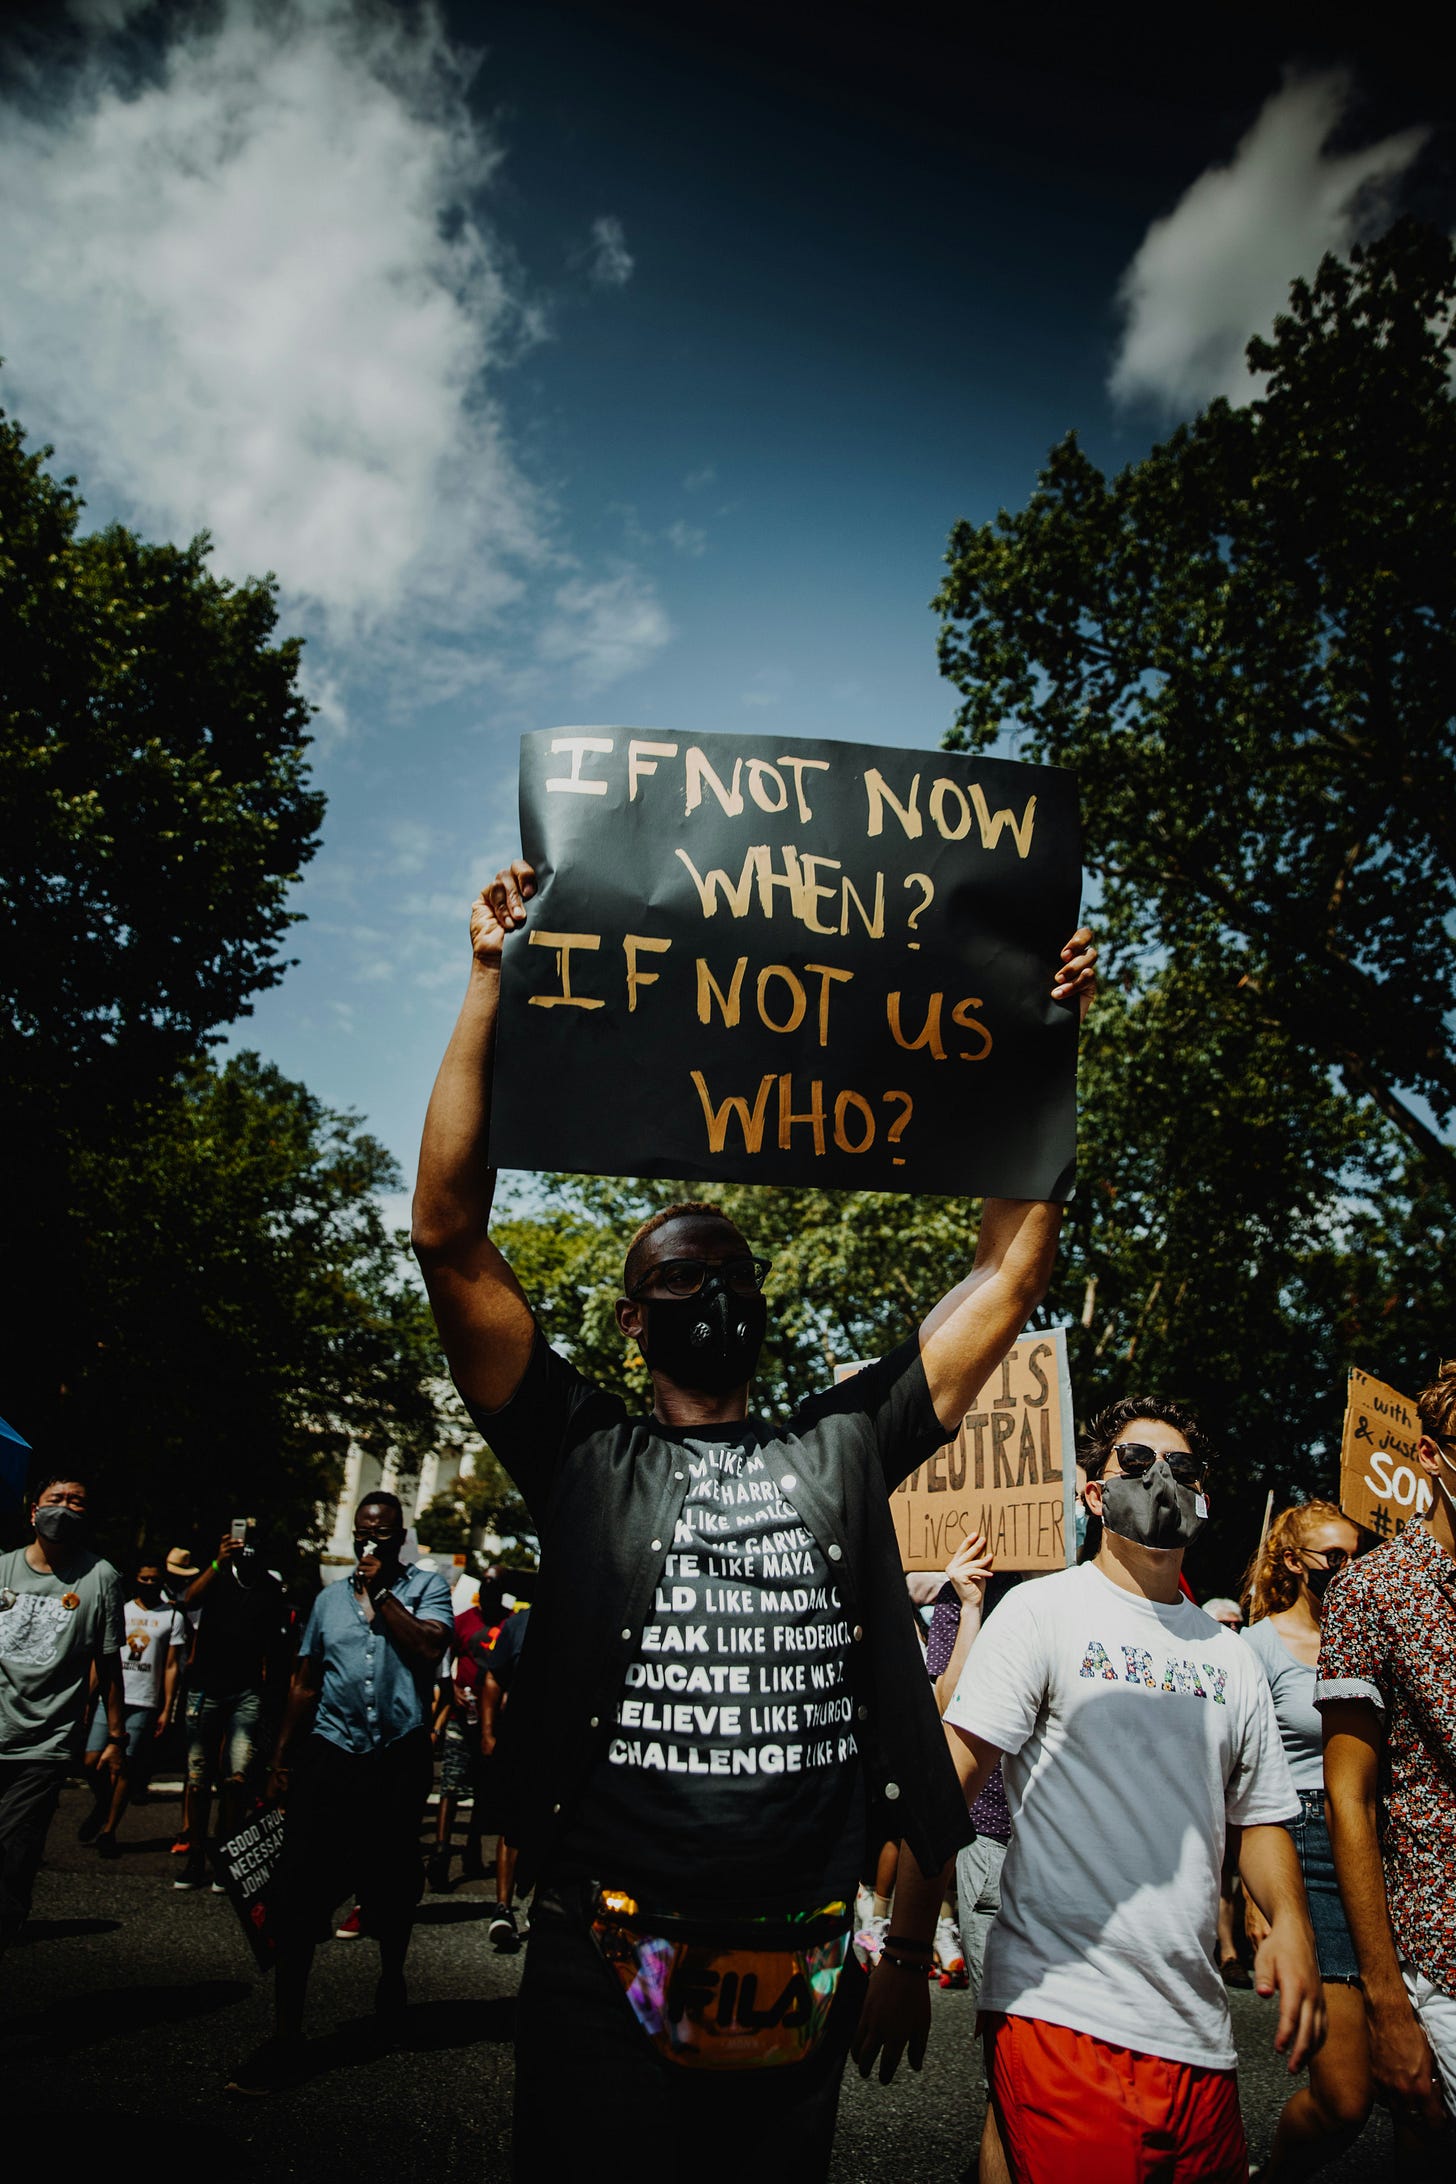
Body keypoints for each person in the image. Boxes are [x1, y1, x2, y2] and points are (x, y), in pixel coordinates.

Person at [410, 853, 1096, 2180]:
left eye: (729, 1266)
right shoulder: (576, 1449)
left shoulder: (846, 1442)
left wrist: (1041, 1037)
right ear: (629, 1319)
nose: (708, 1278)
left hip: (792, 1968)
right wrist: (490, 981)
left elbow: (1010, 1270)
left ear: (763, 1314)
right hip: (602, 1953)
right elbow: (448, 1233)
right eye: (679, 1266)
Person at [858, 1398, 1325, 2184]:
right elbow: (948, 1782)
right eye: (1135, 1465)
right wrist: (904, 1956)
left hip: (1199, 2035)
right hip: (1061, 2014)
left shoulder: (1233, 1654)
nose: (1159, 1481)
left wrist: (1289, 1925)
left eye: (1179, 1469)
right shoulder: (1042, 1613)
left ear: (1202, 1496)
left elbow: (1263, 1818)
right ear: (1092, 1494)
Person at [227, 1491, 453, 2094]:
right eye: (363, 1534)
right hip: (332, 1753)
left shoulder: (426, 1590)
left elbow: (430, 1648)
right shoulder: (328, 1601)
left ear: (400, 1536)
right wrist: (279, 1761)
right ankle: (286, 2035)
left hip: (396, 1756)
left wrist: (383, 1597)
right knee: (298, 1889)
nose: (370, 1544)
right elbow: (304, 1683)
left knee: (393, 1880)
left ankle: (392, 1979)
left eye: (383, 1535)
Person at [1319, 1360, 1456, 2162]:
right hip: (1439, 1948)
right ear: (1434, 1458)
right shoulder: (1374, 1592)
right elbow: (1350, 1802)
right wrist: (1388, 2004)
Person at [1234, 1500, 1371, 2176]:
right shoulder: (1254, 1648)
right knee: (1345, 2099)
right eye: (1333, 1557)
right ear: (1294, 1561)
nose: (1349, 1569)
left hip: (1383, 1842)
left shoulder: (1374, 1633)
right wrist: (1260, 1903)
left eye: (1358, 1553)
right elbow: (1239, 1778)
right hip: (1306, 1842)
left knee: (1415, 2083)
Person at [0, 1474, 126, 1953]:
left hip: (46, 1740)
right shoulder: (3, 1569)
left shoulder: (101, 1577)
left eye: (77, 1501)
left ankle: (7, 1925)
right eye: (57, 1499)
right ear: (34, 1511)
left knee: (14, 1842)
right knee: (12, 1848)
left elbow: (109, 1662)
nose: (66, 1508)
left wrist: (116, 1736)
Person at [174, 1529, 290, 1888]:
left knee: (236, 1777)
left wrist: (273, 1700)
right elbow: (189, 1600)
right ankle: (194, 1857)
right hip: (205, 1688)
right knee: (197, 1779)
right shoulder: (218, 1577)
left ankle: (223, 1859)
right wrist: (215, 1562)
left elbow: (277, 1649)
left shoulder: (271, 1590)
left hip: (246, 1691)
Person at [80, 1555, 186, 1856]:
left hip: (144, 1699)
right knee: (91, 1761)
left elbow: (170, 1666)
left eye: (155, 1579)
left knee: (123, 1765)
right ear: (135, 1580)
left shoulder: (172, 1617)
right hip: (113, 1696)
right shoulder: (121, 1611)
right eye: (144, 1578)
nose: (150, 1584)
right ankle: (103, 1803)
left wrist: (167, 1707)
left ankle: (109, 1831)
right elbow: (101, 1655)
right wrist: (89, 1695)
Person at [479, 1603, 530, 1952]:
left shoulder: (583, 1616)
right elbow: (493, 1677)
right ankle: (503, 1908)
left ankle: (544, 1908)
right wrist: (487, 1730)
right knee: (512, 1824)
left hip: (564, 1741)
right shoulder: (517, 1625)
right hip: (519, 1738)